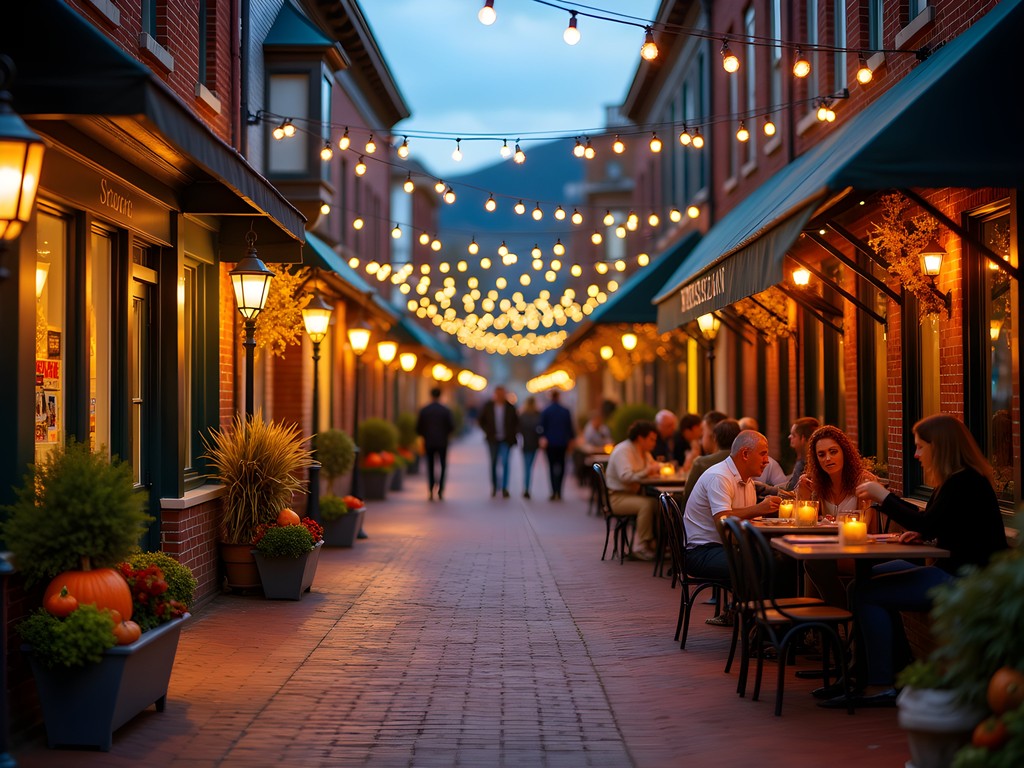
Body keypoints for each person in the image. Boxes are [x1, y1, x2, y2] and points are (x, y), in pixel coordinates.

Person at [821, 414, 1008, 709]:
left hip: (965, 581)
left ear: (940, 446)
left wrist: (884, 497)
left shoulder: (966, 482)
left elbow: (928, 523)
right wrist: (920, 533)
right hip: (946, 569)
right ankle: (878, 671)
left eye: (921, 446)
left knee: (868, 594)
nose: (916, 454)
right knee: (860, 584)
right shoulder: (953, 481)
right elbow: (933, 523)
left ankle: (880, 684)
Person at [683, 430, 782, 624]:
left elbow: (749, 522)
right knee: (761, 563)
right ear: (745, 454)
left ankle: (766, 621)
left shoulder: (747, 481)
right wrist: (758, 509)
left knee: (780, 560)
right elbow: (723, 519)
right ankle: (758, 625)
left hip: (725, 547)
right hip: (700, 552)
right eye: (763, 454)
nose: (767, 461)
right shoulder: (719, 476)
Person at [796, 425, 878, 608]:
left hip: (857, 552)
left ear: (845, 452)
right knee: (807, 560)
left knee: (813, 562)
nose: (828, 458)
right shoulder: (814, 484)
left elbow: (866, 525)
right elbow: (802, 524)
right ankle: (839, 613)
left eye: (833, 452)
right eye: (821, 454)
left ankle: (839, 612)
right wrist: (803, 494)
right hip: (826, 550)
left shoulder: (864, 482)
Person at [605, 420, 663, 561]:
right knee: (646, 505)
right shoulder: (623, 451)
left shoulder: (644, 452)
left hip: (632, 495)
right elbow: (625, 477)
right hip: (617, 498)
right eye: (651, 439)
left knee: (661, 504)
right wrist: (647, 471)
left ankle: (659, 544)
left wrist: (653, 470)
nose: (654, 443)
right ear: (640, 438)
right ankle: (641, 546)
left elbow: (652, 467)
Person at [677, 416, 739, 514]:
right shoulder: (746, 461)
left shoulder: (701, 463)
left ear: (714, 436)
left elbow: (688, 499)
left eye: (703, 433)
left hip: (708, 521)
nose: (700, 439)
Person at [478, 385, 519, 498]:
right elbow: (481, 420)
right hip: (493, 439)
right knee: (493, 463)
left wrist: (512, 433)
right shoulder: (488, 406)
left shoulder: (510, 407)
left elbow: (516, 422)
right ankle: (495, 486)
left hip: (506, 440)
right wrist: (487, 431)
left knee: (505, 462)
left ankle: (505, 487)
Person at [416, 387, 455, 501]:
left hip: (429, 442)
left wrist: (425, 435)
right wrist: (445, 434)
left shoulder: (425, 410)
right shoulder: (445, 410)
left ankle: (430, 489)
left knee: (430, 466)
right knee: (443, 465)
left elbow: (418, 427)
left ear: (431, 395)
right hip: (442, 442)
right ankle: (441, 490)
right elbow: (451, 426)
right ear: (440, 395)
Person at [539, 390, 576, 500]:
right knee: (562, 466)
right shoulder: (565, 411)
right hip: (562, 443)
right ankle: (559, 491)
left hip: (550, 443)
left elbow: (541, 427)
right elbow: (570, 428)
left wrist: (543, 438)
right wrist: (571, 440)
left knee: (551, 467)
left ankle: (553, 490)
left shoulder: (546, 410)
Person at [738, 416, 788, 492]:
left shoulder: (770, 464)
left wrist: (765, 490)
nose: (766, 461)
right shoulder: (732, 466)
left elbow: (784, 489)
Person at [518, 396, 541, 499]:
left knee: (526, 467)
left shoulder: (523, 415)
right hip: (534, 444)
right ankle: (527, 488)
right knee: (530, 466)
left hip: (525, 443)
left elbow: (518, 430)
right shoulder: (538, 415)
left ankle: (526, 488)